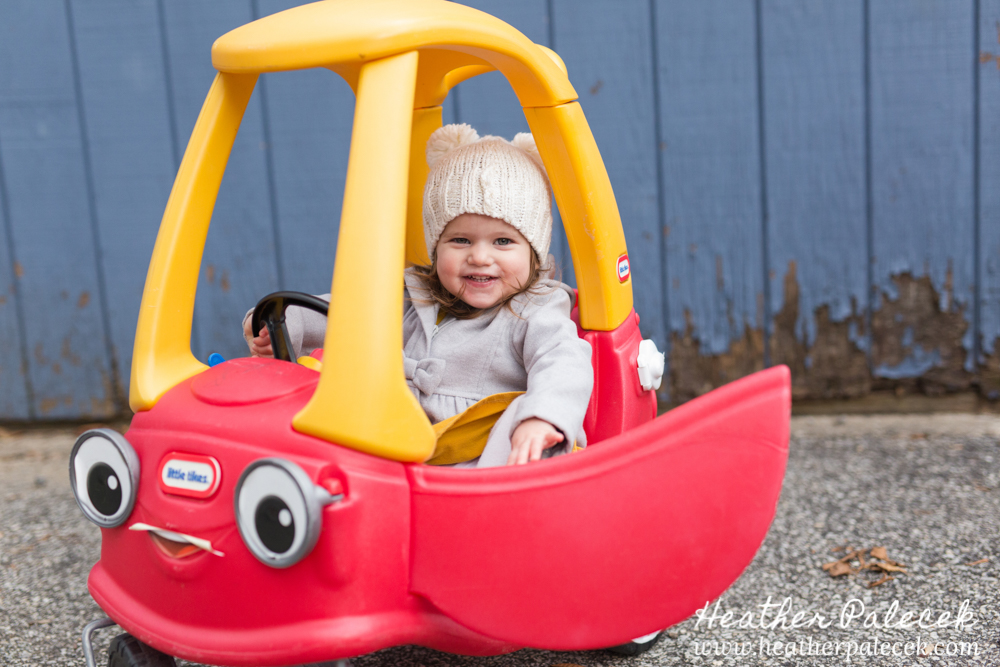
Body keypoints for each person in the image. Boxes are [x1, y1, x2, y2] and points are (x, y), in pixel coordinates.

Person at [244, 123, 593, 467]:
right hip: (397, 450)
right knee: (322, 391)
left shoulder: (535, 308)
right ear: (436, 246)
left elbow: (563, 361)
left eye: (503, 241)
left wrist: (542, 418)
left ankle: (510, 479)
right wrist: (284, 322)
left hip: (482, 461)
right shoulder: (413, 294)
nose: (480, 257)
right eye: (460, 240)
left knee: (522, 411)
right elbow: (350, 313)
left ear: (532, 249)